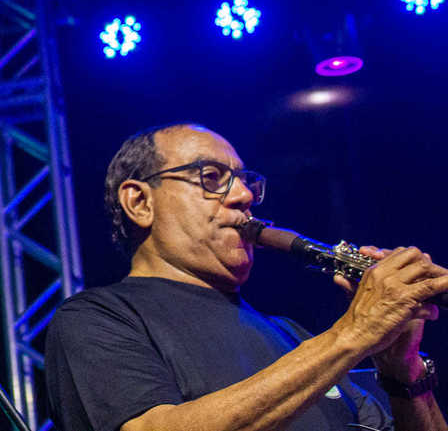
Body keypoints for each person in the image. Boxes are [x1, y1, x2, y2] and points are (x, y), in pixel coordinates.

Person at [43, 122, 448, 431]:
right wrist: (354, 333)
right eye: (211, 177)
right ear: (140, 202)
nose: (244, 196)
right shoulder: (97, 319)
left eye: (244, 181)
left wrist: (403, 371)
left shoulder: (291, 335)